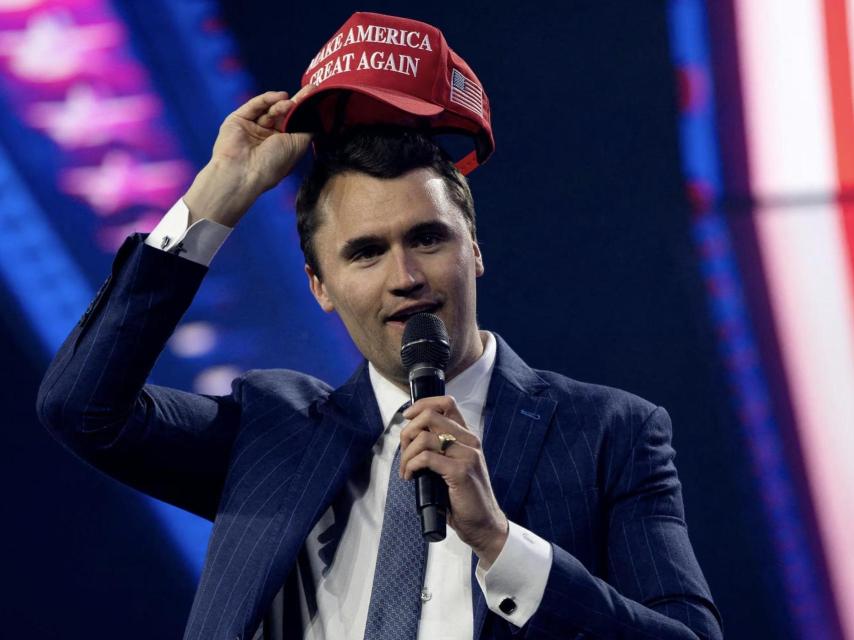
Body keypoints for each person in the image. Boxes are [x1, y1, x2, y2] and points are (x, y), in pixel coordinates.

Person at [37, 12, 723, 640]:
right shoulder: (268, 432)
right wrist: (220, 190)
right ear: (321, 288)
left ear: (474, 250)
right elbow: (81, 408)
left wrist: (498, 540)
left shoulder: (611, 434)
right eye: (365, 252)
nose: (405, 276)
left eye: (427, 238)